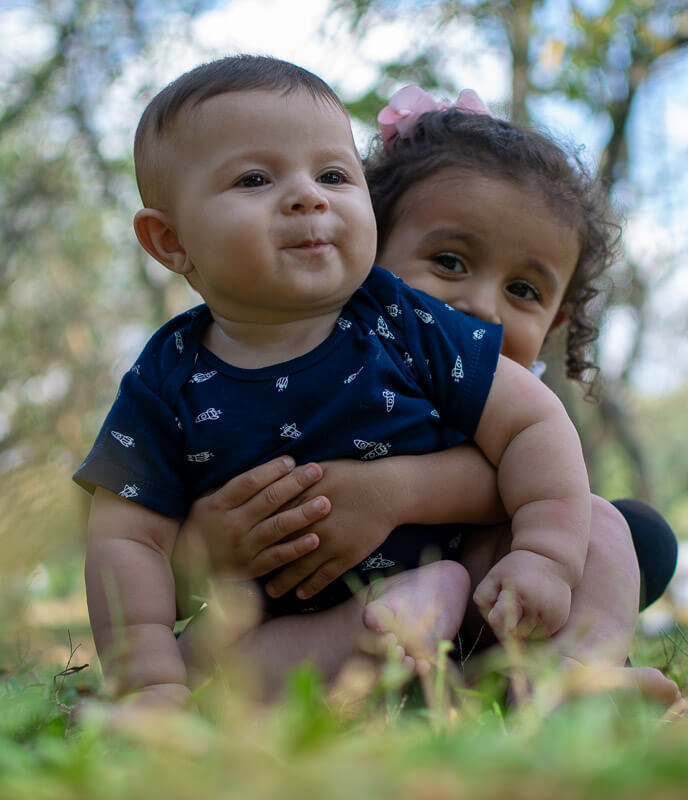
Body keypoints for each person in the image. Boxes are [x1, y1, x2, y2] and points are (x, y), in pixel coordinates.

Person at [74, 56, 597, 710]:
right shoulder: (165, 378)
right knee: (220, 671)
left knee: (595, 528)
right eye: (256, 178)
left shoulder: (404, 319)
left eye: (331, 174)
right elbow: (124, 541)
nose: (307, 195)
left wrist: (546, 556)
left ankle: (577, 674)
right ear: (171, 241)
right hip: (298, 625)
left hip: (472, 584)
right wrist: (149, 677)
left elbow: (534, 422)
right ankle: (411, 672)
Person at [171, 84, 680, 703]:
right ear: (365, 243)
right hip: (316, 612)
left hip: (484, 603)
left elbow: (534, 473)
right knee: (208, 655)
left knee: (606, 526)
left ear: (555, 322)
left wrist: (392, 492)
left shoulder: (513, 399)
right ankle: (399, 686)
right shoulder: (310, 350)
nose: (480, 305)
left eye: (523, 291)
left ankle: (569, 674)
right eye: (450, 261)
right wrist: (202, 543)